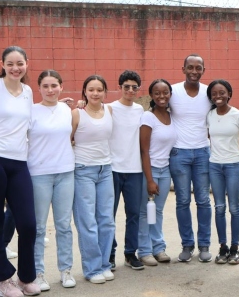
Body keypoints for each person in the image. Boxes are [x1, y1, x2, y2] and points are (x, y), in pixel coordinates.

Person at [0, 46, 40, 297]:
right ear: (2, 64)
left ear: (26, 64)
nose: (16, 68)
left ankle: (26, 277)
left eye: (20, 63)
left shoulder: (27, 91)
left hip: (19, 162)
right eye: (10, 63)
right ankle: (4, 280)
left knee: (28, 223)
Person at [27, 70, 76, 290]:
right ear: (39, 88)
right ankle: (38, 273)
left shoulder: (67, 110)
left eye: (54, 85)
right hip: (39, 174)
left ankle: (66, 271)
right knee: (38, 228)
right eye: (45, 86)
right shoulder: (31, 111)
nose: (50, 90)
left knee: (64, 226)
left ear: (61, 87)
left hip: (66, 172)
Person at [71, 75, 116, 284]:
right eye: (91, 89)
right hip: (83, 170)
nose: (95, 93)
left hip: (106, 169)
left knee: (106, 220)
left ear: (105, 92)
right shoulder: (77, 114)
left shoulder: (109, 110)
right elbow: (67, 140)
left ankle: (105, 264)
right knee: (87, 222)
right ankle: (92, 268)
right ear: (84, 92)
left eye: (99, 89)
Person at [170, 54, 213, 262]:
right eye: (190, 67)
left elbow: (222, 113)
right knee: (183, 200)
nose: (194, 71)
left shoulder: (209, 93)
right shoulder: (173, 91)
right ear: (183, 69)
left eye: (199, 68)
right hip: (179, 153)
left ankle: (204, 244)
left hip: (203, 153)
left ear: (204, 70)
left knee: (204, 201)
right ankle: (187, 245)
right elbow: (155, 109)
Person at [206, 79, 239, 264]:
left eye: (222, 93)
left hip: (233, 166)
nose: (218, 96)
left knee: (234, 207)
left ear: (229, 94)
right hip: (214, 166)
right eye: (214, 94)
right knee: (219, 208)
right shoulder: (209, 115)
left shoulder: (238, 115)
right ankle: (223, 247)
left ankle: (235, 248)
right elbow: (209, 138)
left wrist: (234, 152)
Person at [108, 70, 146, 270]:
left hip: (135, 169)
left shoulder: (140, 110)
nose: (130, 90)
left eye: (134, 87)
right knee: (109, 214)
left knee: (134, 214)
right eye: (126, 87)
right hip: (113, 168)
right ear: (120, 87)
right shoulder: (110, 108)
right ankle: (110, 254)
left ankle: (130, 253)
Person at [138, 79, 177, 265]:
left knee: (158, 211)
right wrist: (150, 179)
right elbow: (144, 150)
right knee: (145, 212)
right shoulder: (148, 117)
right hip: (150, 170)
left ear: (170, 94)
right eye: (157, 93)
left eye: (165, 92)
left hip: (165, 169)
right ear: (152, 96)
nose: (162, 96)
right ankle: (144, 251)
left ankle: (158, 248)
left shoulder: (172, 116)